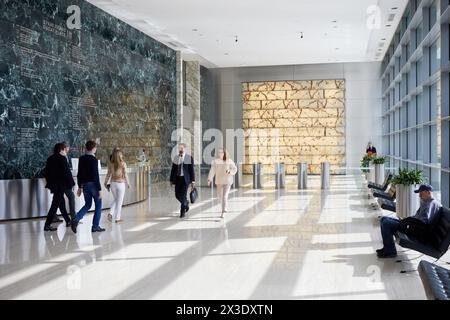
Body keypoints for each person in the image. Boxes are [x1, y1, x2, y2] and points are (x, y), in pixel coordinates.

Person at [376, 184, 442, 258]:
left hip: (416, 231)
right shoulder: (427, 202)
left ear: (428, 192)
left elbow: (424, 222)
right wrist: (407, 220)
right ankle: (387, 248)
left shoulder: (430, 204)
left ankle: (391, 251)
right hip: (414, 226)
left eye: (421, 193)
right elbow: (418, 217)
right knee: (383, 219)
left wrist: (409, 222)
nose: (419, 196)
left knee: (386, 223)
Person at [71, 140, 105, 233]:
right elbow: (95, 176)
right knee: (98, 205)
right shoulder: (94, 160)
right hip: (93, 185)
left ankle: (76, 219)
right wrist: (99, 189)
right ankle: (95, 226)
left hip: (85, 185)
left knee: (88, 204)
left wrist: (80, 186)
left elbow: (79, 174)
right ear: (94, 148)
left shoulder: (81, 159)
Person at [43, 143, 75, 231]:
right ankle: (47, 224)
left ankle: (68, 221)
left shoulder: (50, 158)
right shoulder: (62, 159)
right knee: (55, 204)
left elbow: (46, 173)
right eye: (65, 148)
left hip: (54, 186)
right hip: (61, 186)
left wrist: (50, 183)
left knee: (61, 203)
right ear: (62, 149)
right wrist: (72, 184)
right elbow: (67, 173)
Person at [207, 148, 237, 218]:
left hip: (227, 180)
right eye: (219, 152)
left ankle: (223, 211)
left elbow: (234, 168)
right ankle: (224, 207)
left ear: (224, 153)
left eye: (221, 152)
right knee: (220, 196)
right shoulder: (215, 161)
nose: (220, 154)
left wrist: (230, 171)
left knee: (224, 196)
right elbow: (212, 171)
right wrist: (209, 179)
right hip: (219, 181)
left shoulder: (229, 160)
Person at [169, 143, 195, 218]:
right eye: (179, 148)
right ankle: (186, 203)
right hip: (177, 179)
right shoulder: (176, 158)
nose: (180, 150)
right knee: (177, 195)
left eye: (182, 148)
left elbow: (191, 170)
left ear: (185, 149)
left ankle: (182, 211)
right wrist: (171, 180)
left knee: (183, 195)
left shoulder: (188, 158)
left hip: (185, 179)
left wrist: (193, 180)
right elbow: (173, 169)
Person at [104, 148, 130, 223]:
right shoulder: (123, 163)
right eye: (121, 154)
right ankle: (117, 218)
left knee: (116, 199)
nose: (122, 155)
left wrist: (105, 183)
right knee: (119, 201)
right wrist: (128, 183)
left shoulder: (111, 164)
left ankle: (111, 213)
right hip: (121, 184)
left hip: (113, 184)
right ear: (119, 155)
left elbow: (108, 174)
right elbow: (125, 174)